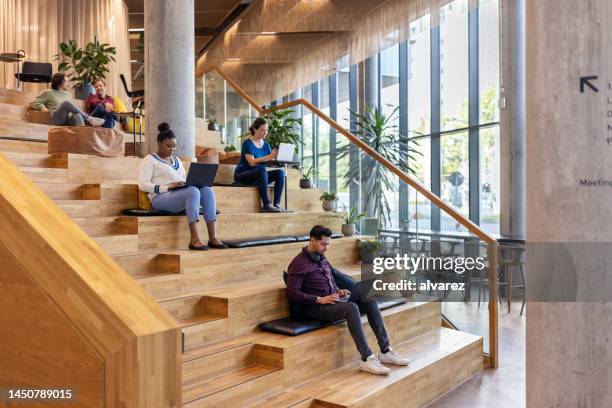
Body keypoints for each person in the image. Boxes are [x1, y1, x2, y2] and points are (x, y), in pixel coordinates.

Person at [286, 225, 410, 375]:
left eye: (328, 244)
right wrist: (319, 299)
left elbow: (328, 278)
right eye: (323, 244)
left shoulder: (321, 257)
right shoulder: (298, 263)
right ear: (312, 240)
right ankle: (366, 359)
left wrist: (338, 290)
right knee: (351, 308)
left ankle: (385, 351)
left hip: (331, 301)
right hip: (314, 308)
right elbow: (293, 293)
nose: (326, 248)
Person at [138, 122, 227, 251]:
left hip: (179, 194)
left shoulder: (177, 160)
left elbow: (183, 179)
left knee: (207, 190)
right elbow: (143, 184)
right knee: (193, 191)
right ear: (159, 144)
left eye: (174, 146)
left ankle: (212, 237)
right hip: (159, 198)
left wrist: (185, 184)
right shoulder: (149, 160)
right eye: (168, 146)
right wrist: (167, 187)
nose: (172, 149)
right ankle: (194, 239)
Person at [234, 117, 285, 213]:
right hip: (243, 174)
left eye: (266, 130)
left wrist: (277, 158)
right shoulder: (247, 143)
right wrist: (269, 156)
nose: (265, 132)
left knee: (280, 173)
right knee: (262, 169)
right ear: (255, 129)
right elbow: (252, 162)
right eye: (262, 130)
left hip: (259, 175)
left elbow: (269, 161)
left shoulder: (266, 145)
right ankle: (266, 205)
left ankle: (276, 204)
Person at [30, 73, 105, 127]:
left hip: (67, 119)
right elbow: (34, 102)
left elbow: (71, 109)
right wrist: (42, 107)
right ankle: (90, 119)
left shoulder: (68, 94)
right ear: (59, 82)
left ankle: (82, 137)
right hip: (55, 118)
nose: (68, 83)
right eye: (66, 81)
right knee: (66, 103)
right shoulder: (48, 92)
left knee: (78, 115)